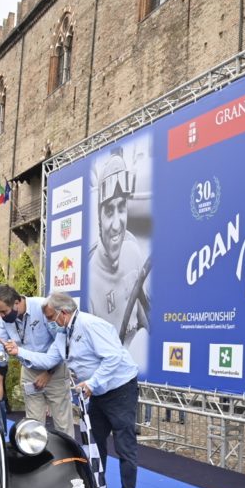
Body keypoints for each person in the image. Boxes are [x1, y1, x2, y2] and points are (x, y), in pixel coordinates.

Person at [5, 292, 140, 488]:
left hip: (120, 390)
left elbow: (113, 357)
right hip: (97, 393)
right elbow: (49, 361)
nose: (49, 323)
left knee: (124, 446)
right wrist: (20, 352)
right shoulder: (63, 334)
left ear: (64, 313)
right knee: (93, 445)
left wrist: (92, 383)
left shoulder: (90, 325)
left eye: (51, 317)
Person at [88, 149, 150, 365]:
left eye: (121, 208)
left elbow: (145, 321)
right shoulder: (89, 283)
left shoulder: (133, 252)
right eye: (109, 211)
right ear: (99, 217)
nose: (117, 224)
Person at [0, 284, 75, 438]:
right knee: (33, 424)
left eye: (4, 311)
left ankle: (67, 453)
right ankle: (36, 452)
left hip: (54, 370)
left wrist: (48, 373)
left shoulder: (43, 308)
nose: (1, 316)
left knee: (63, 424)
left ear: (16, 303)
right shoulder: (4, 320)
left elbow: (61, 344)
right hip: (29, 371)